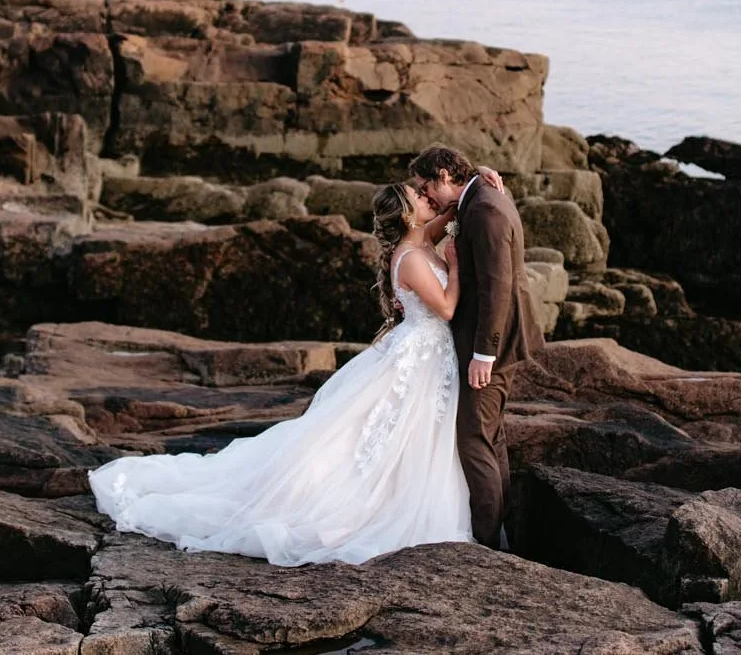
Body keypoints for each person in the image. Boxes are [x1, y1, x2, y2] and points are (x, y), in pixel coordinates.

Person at [87, 177, 477, 565]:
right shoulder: (409, 257)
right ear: (408, 215)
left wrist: (479, 182)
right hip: (419, 355)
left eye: (426, 191)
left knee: (404, 434)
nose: (428, 197)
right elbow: (445, 308)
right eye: (419, 196)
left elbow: (451, 209)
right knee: (386, 435)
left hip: (427, 356)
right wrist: (456, 267)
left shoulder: (422, 238)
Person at [407, 144, 546, 548]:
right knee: (490, 435)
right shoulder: (482, 194)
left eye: (427, 185)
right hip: (495, 338)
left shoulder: (483, 208)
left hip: (493, 344)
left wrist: (483, 354)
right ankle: (503, 532)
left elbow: (497, 287)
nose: (426, 195)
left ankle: (486, 542)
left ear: (447, 175)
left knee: (473, 438)